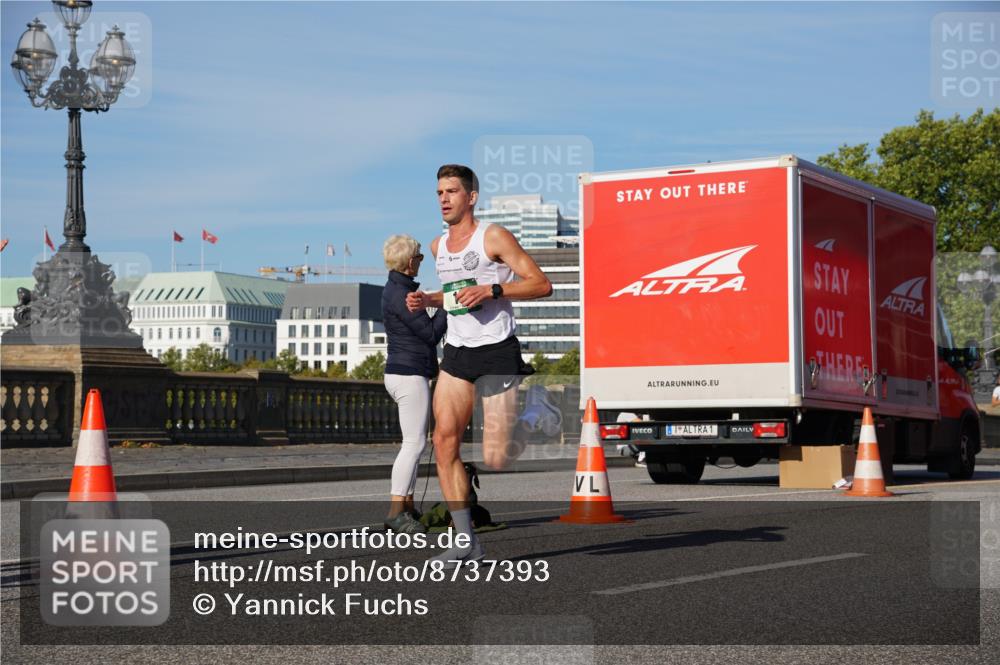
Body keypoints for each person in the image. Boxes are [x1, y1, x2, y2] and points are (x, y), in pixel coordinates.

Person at [407, 164, 552, 565]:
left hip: (497, 351)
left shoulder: (493, 236)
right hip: (457, 354)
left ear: (471, 197)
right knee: (444, 442)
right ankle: (465, 540)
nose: (444, 198)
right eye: (439, 192)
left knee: (497, 457)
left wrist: (492, 288)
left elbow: (541, 283)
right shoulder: (438, 247)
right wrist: (429, 301)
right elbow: (456, 296)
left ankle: (534, 414)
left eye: (452, 191)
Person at [381, 233, 447, 535]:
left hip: (401, 372)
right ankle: (397, 510)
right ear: (410, 262)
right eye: (420, 257)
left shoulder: (396, 288)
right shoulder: (401, 294)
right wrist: (450, 302)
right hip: (409, 375)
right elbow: (431, 334)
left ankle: (406, 508)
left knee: (414, 443)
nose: (422, 261)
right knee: (414, 443)